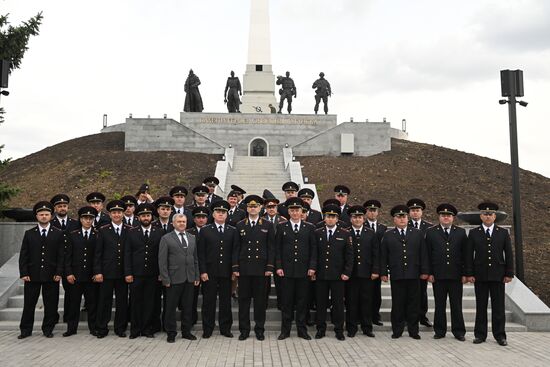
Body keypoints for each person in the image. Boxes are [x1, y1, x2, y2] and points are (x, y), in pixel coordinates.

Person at [466, 202, 514, 346]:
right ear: (481, 216)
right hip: (480, 275)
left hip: (498, 275)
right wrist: (469, 273)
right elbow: (469, 255)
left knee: (498, 307)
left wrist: (509, 273)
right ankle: (480, 335)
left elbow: (509, 254)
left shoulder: (503, 233)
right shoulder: (474, 233)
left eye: (490, 214)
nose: (488, 216)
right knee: (481, 306)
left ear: (495, 216)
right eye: (485, 214)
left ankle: (500, 335)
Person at [381, 205, 429, 340]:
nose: (402, 219)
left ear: (408, 218)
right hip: (397, 274)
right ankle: (397, 329)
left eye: (404, 217)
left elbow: (423, 253)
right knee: (398, 303)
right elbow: (384, 256)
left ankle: (414, 330)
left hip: (414, 274)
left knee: (414, 303)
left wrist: (424, 270)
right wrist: (384, 272)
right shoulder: (388, 235)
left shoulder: (417, 233)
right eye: (399, 217)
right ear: (394, 219)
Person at [18, 201, 64, 339]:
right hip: (32, 275)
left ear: (51, 216)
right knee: (29, 304)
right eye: (41, 214)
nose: (44, 216)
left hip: (51, 275)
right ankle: (25, 330)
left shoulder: (58, 233)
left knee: (51, 304)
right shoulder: (29, 233)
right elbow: (23, 255)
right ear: (36, 216)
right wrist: (24, 273)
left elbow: (61, 255)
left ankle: (48, 329)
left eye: (46, 214)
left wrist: (58, 272)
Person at [233, 195, 275, 341]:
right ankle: (244, 330)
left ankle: (259, 329)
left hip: (261, 269)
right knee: (243, 301)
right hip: (244, 269)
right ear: (246, 208)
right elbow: (236, 248)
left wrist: (270, 267)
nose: (253, 208)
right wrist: (235, 267)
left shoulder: (267, 225)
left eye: (255, 206)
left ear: (260, 208)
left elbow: (271, 247)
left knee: (260, 301)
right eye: (250, 206)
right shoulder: (240, 225)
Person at [275, 197, 316, 340]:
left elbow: (313, 249)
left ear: (301, 211)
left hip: (303, 271)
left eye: (297, 210)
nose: (295, 212)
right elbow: (277, 249)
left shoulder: (309, 228)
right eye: (292, 210)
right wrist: (278, 266)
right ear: (288, 212)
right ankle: (285, 330)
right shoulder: (281, 227)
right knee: (286, 302)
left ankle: (302, 330)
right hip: (286, 271)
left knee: (302, 302)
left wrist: (312, 267)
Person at [425, 203, 467, 341]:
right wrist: (429, 273)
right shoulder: (431, 232)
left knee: (456, 305)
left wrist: (465, 274)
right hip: (438, 275)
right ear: (439, 217)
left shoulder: (460, 232)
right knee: (440, 304)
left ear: (453, 218)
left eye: (448, 216)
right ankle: (440, 330)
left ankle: (459, 331)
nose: (446, 218)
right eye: (443, 215)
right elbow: (428, 255)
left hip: (456, 275)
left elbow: (465, 255)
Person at [197, 200, 238, 338]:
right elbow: (201, 253)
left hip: (226, 272)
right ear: (213, 214)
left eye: (223, 212)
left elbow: (235, 252)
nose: (221, 214)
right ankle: (207, 328)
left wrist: (234, 270)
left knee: (226, 301)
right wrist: (202, 271)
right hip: (210, 272)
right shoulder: (205, 230)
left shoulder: (232, 231)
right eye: (218, 212)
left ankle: (225, 328)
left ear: (227, 215)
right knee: (209, 301)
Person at [313, 204, 353, 341]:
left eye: (333, 217)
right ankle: (320, 329)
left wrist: (347, 272)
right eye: (328, 216)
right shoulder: (317, 232)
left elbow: (349, 256)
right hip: (321, 275)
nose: (330, 219)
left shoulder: (345, 234)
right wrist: (313, 271)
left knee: (338, 304)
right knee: (321, 303)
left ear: (337, 219)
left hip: (338, 276)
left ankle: (339, 329)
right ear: (324, 218)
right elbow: (314, 254)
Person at [159, 213, 200, 343]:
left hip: (189, 278)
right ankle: (171, 332)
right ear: (173, 223)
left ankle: (186, 331)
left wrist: (196, 275)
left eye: (184, 221)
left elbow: (195, 259)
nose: (182, 224)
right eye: (179, 222)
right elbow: (162, 261)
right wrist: (165, 278)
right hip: (173, 278)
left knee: (188, 307)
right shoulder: (166, 238)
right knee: (170, 307)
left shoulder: (192, 237)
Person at [93, 200, 132, 338]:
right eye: (114, 212)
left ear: (123, 214)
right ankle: (102, 328)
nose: (117, 214)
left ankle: (120, 328)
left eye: (119, 212)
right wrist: (97, 271)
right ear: (109, 214)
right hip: (106, 272)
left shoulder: (129, 230)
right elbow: (97, 253)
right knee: (104, 301)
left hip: (123, 273)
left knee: (122, 302)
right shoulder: (103, 230)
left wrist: (129, 272)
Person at [124, 203, 163, 338]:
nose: (145, 218)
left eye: (148, 215)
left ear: (151, 217)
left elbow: (161, 255)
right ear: (138, 217)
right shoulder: (131, 232)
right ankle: (135, 330)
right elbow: (127, 254)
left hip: (153, 274)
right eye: (143, 216)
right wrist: (128, 273)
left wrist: (161, 273)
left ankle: (147, 329)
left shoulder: (159, 232)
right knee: (135, 302)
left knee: (149, 302)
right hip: (136, 274)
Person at [63, 206, 100, 337]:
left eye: (91, 218)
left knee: (92, 304)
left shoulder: (97, 235)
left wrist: (97, 272)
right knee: (74, 303)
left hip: (91, 277)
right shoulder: (73, 235)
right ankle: (71, 328)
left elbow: (98, 256)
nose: (88, 221)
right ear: (81, 219)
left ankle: (93, 327)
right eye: (85, 218)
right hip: (76, 275)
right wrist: (68, 273)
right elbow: (67, 256)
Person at [345, 205, 379, 338]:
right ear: (350, 218)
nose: (357, 219)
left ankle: (367, 327)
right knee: (351, 301)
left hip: (367, 273)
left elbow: (376, 253)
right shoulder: (346, 232)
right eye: (355, 217)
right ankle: (351, 328)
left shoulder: (370, 233)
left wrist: (375, 270)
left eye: (360, 217)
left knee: (366, 301)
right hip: (351, 274)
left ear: (364, 218)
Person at [49, 193, 80, 324]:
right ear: (55, 208)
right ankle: (52, 316)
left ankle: (68, 316)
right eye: (60, 206)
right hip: (53, 262)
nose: (62, 208)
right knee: (51, 292)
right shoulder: (50, 223)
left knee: (71, 291)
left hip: (70, 262)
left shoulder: (75, 223)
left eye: (65, 206)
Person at [407, 198, 433, 328]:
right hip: (409, 265)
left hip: (423, 266)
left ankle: (422, 316)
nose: (415, 213)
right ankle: (409, 316)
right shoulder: (405, 225)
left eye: (417, 210)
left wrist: (427, 269)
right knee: (409, 293)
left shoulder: (429, 228)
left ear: (421, 212)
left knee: (422, 292)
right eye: (413, 210)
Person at [363, 199, 387, 326]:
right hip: (364, 265)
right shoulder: (362, 226)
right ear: (366, 212)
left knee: (376, 294)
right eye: (370, 210)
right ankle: (363, 317)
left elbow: (384, 251)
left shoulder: (383, 228)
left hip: (377, 266)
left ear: (378, 212)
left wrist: (380, 269)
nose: (372, 213)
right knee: (364, 295)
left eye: (374, 211)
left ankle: (375, 316)